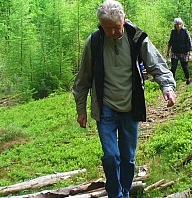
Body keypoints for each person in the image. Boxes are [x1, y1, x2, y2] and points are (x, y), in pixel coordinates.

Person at [72, 1, 176, 197]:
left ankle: (125, 191)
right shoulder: (94, 42)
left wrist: (168, 87)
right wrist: (81, 109)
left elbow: (156, 65)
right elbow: (83, 79)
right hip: (105, 108)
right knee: (111, 156)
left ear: (124, 20)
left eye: (115, 27)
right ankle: (115, 194)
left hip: (130, 107)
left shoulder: (136, 38)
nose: (111, 32)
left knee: (128, 158)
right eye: (106, 28)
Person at [166, 18, 192, 85]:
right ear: (175, 25)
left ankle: (188, 79)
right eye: (177, 24)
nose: (178, 26)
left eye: (180, 24)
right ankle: (172, 82)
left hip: (184, 51)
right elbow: (170, 42)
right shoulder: (173, 31)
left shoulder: (185, 31)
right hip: (175, 51)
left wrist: (190, 54)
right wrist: (168, 52)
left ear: (182, 24)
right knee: (173, 67)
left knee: (185, 67)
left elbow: (189, 42)